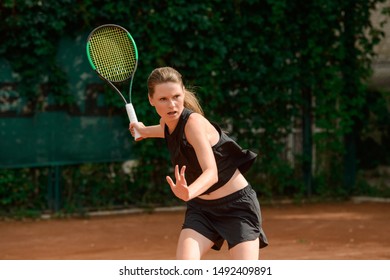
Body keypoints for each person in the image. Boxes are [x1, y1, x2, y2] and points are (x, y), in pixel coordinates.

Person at [129, 66, 268, 260]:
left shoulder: (193, 123)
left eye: (176, 96)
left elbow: (212, 173)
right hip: (202, 210)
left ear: (183, 92)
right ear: (151, 100)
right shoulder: (167, 123)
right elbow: (165, 131)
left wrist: (189, 192)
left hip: (237, 207)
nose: (172, 105)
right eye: (163, 99)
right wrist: (143, 131)